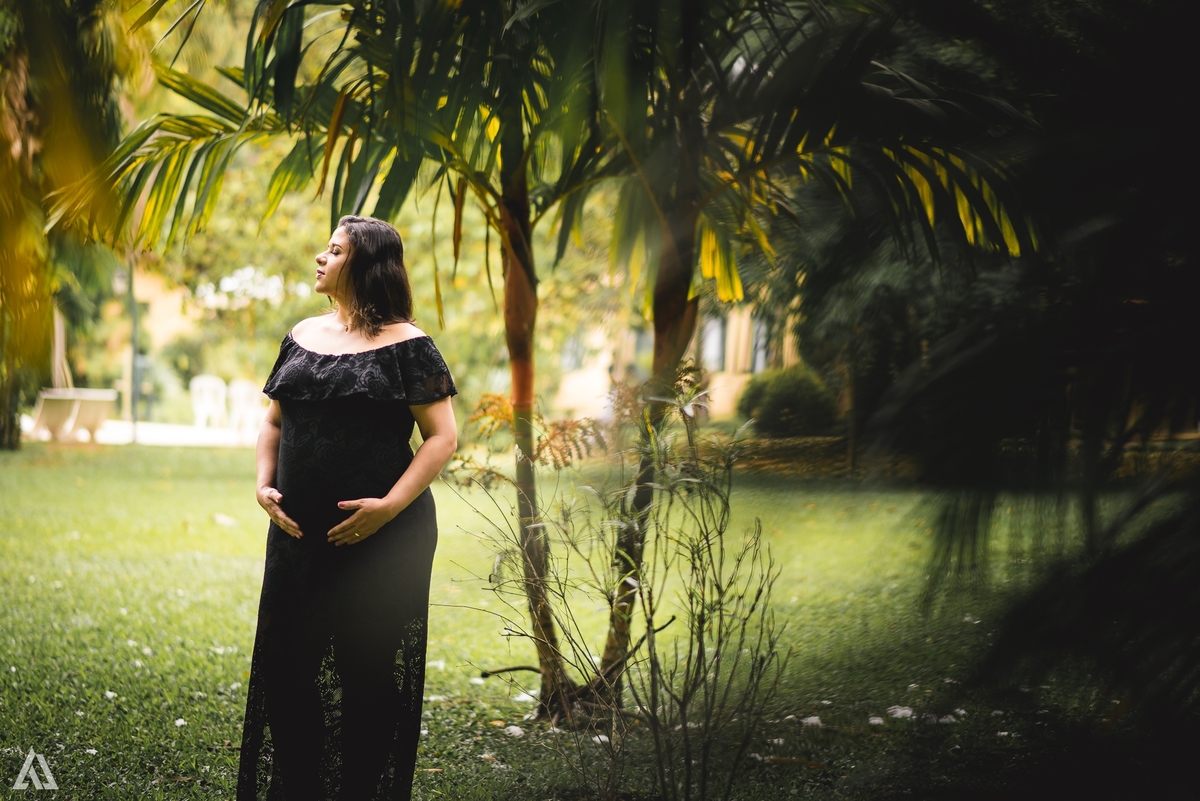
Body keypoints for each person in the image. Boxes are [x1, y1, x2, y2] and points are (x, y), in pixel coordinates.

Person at [237, 216, 458, 800]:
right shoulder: (301, 334)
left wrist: (388, 506)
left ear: (365, 267)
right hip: (298, 536)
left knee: (368, 674)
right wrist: (263, 485)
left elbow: (441, 438)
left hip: (385, 540)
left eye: (334, 251)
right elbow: (274, 422)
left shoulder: (409, 345)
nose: (321, 257)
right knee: (287, 669)